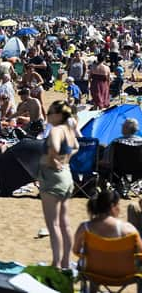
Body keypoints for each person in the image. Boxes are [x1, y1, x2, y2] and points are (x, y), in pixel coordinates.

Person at [73, 189, 142, 292]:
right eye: (118, 205)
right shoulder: (128, 230)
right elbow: (140, 253)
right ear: (113, 206)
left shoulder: (84, 228)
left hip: (94, 274)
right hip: (126, 276)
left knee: (91, 262)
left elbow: (76, 250)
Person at [39, 100, 79, 269]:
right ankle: (65, 263)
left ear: (58, 115)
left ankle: (56, 263)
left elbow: (54, 147)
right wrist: (65, 159)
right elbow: (77, 146)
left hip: (53, 177)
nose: (47, 115)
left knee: (53, 224)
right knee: (64, 223)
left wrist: (53, 159)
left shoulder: (56, 130)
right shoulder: (69, 130)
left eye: (49, 113)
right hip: (67, 176)